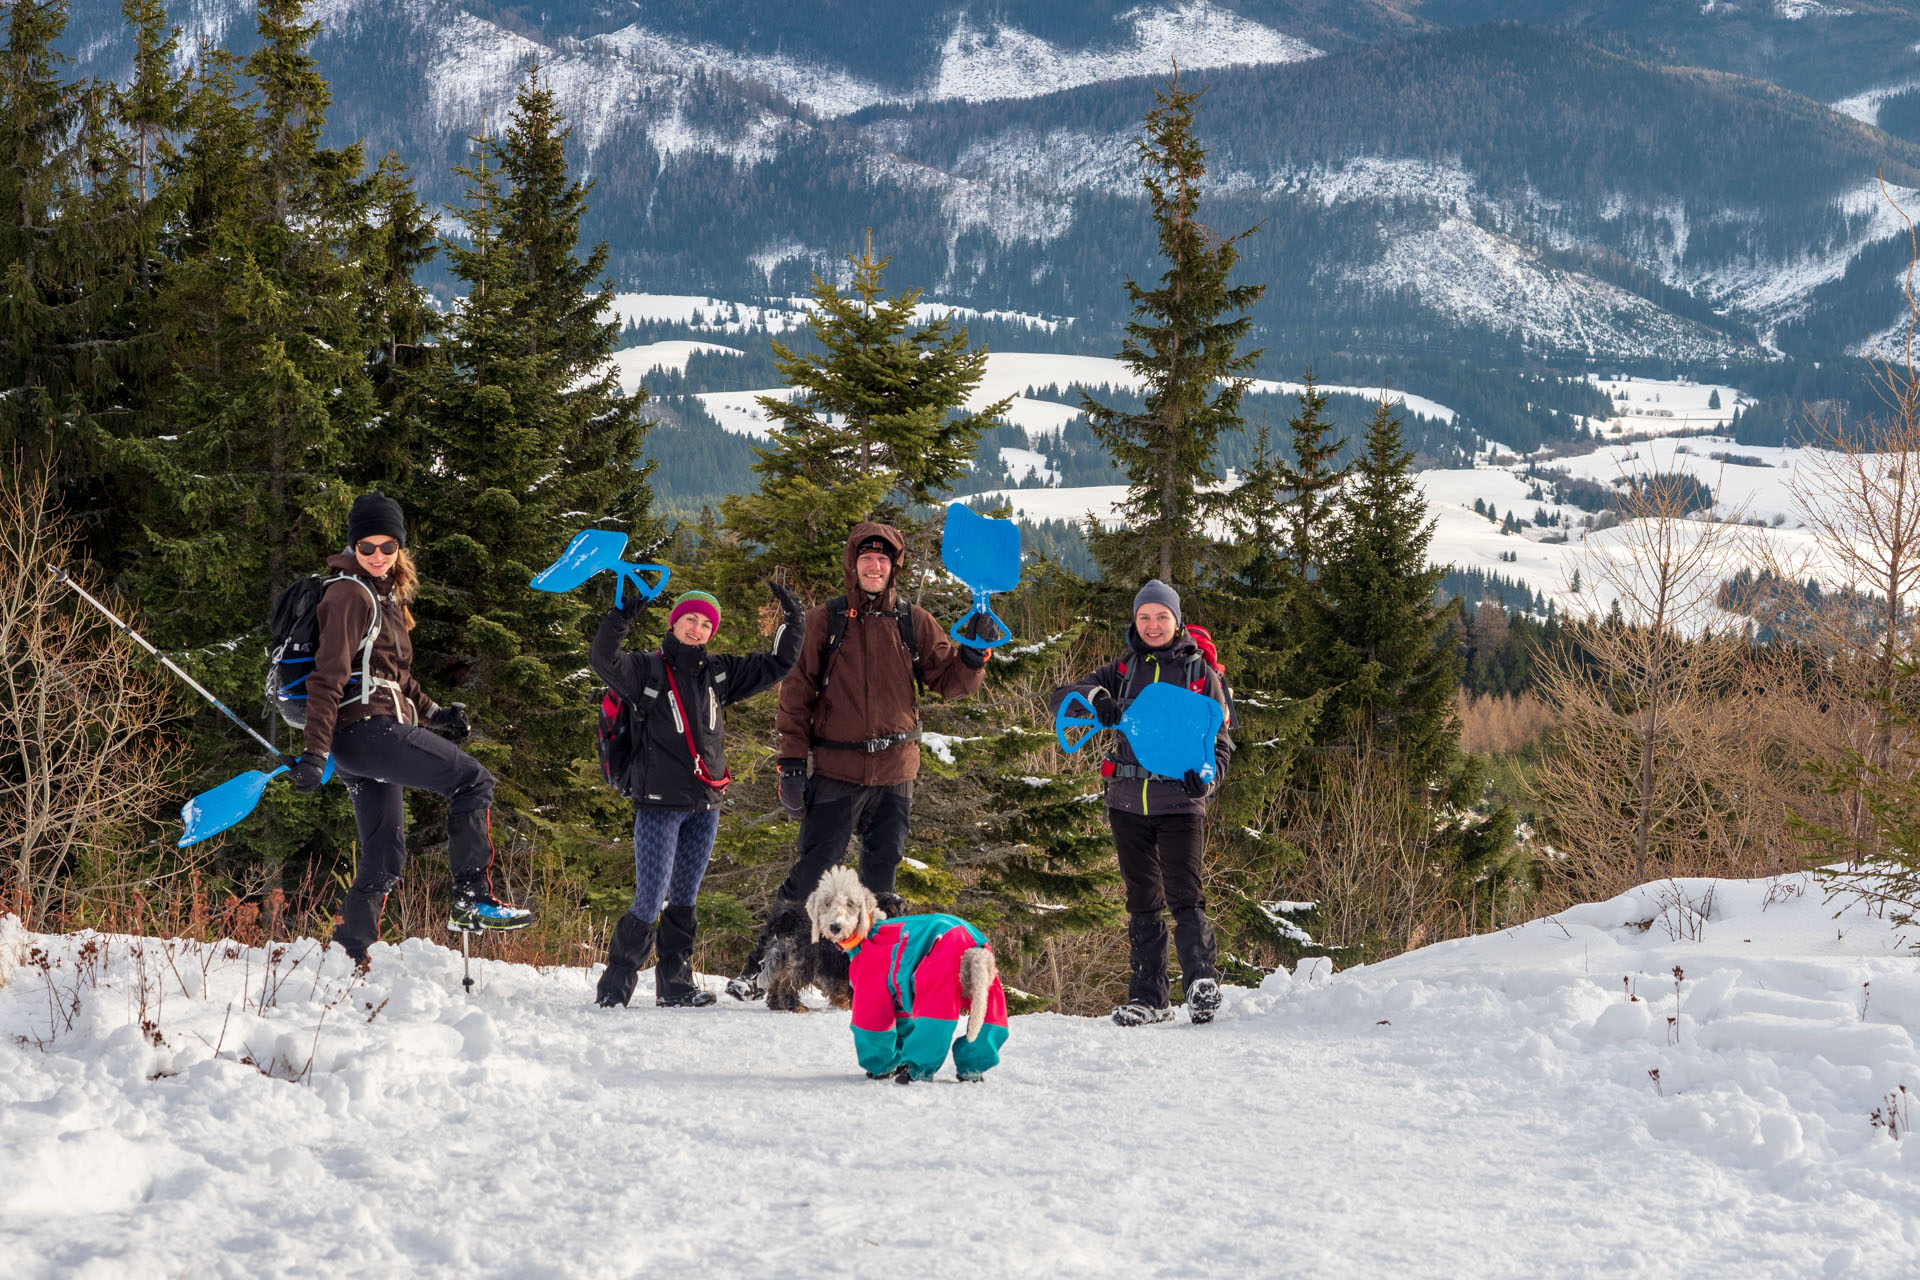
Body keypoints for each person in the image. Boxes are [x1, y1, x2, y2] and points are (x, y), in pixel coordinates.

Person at [727, 521, 995, 1002]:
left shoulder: (913, 621)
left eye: (884, 560)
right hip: (836, 771)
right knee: (811, 877)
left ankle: (866, 980)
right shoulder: (825, 621)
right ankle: (760, 969)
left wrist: (973, 657)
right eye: (867, 558)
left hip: (895, 775)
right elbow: (796, 695)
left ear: (893, 568)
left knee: (879, 885)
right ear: (854, 564)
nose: (875, 566)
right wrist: (791, 763)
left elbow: (949, 682)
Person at [288, 492, 532, 966]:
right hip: (366, 733)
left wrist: (436, 713)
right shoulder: (348, 594)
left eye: (388, 546)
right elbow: (328, 677)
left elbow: (392, 675)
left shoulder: (385, 596)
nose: (378, 556)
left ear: (400, 547)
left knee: (384, 857)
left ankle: (349, 955)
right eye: (367, 547)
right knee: (473, 780)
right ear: (352, 546)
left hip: (367, 741)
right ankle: (471, 897)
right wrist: (315, 752)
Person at [589, 582, 804, 1008]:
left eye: (706, 623)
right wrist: (620, 618)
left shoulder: (718, 673)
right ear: (675, 622)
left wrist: (795, 621)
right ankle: (614, 988)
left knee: (685, 898)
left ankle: (675, 984)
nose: (697, 628)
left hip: (706, 803)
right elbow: (603, 660)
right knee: (649, 899)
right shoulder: (645, 669)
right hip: (658, 805)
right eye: (690, 618)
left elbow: (779, 663)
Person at [1051, 579, 1233, 1027]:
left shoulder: (1198, 675)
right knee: (1142, 900)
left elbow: (1221, 743)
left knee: (1184, 894)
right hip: (1127, 802)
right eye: (1144, 617)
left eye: (1161, 616)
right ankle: (1150, 999)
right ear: (1136, 621)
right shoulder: (1120, 671)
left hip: (1179, 803)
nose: (1152, 625)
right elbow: (1062, 699)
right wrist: (1098, 700)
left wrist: (1205, 780)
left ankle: (1201, 983)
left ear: (1176, 620)